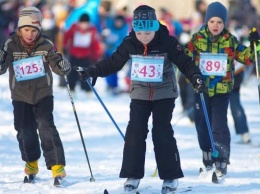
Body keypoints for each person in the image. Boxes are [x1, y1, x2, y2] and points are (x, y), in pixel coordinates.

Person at [78, 5, 206, 193]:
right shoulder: (130, 43)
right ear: (134, 30)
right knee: (135, 131)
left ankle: (170, 176)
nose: (144, 37)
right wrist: (93, 71)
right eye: (140, 33)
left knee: (161, 131)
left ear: (155, 27)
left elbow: (185, 62)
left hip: (164, 93)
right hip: (140, 94)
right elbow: (114, 62)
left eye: (148, 32)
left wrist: (195, 77)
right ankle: (133, 174)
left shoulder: (168, 42)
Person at [184, 1, 259, 178]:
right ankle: (207, 154)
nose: (215, 25)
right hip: (201, 90)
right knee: (202, 124)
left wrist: (256, 45)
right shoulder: (197, 39)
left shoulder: (230, 40)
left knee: (219, 125)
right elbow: (184, 60)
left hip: (221, 90)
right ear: (206, 22)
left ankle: (222, 159)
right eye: (212, 22)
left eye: (219, 22)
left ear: (224, 23)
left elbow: (246, 58)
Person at [0, 6, 71, 183]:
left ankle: (57, 167)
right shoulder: (11, 44)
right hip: (20, 96)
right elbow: (1, 68)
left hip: (43, 94)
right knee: (24, 131)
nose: (30, 34)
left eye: (33, 30)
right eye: (26, 30)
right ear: (19, 29)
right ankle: (31, 162)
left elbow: (57, 65)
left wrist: (63, 66)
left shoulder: (46, 44)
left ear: (39, 30)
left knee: (46, 128)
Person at [63, 13, 103, 94]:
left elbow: (95, 43)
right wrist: (64, 46)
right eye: (82, 23)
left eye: (86, 24)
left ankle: (87, 89)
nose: (84, 26)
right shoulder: (74, 27)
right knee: (72, 73)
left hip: (85, 56)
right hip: (74, 55)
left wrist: (96, 54)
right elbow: (67, 36)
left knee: (85, 73)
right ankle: (72, 89)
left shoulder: (92, 30)